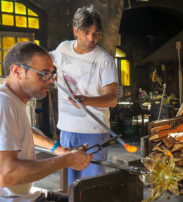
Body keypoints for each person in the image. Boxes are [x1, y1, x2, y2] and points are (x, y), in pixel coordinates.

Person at [0, 41, 93, 202]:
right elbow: (6, 174)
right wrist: (67, 160)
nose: (50, 80)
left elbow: (24, 130)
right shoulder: (4, 104)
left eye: (51, 74)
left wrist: (58, 149)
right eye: (43, 74)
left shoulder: (13, 100)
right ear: (17, 71)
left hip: (24, 195)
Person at [50, 5, 118, 186]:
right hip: (67, 129)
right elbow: (45, 62)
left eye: (95, 34)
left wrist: (86, 100)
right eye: (86, 32)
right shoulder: (63, 49)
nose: (91, 38)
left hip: (94, 132)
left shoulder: (105, 60)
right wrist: (46, 74)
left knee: (91, 185)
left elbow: (112, 99)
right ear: (75, 30)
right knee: (69, 184)